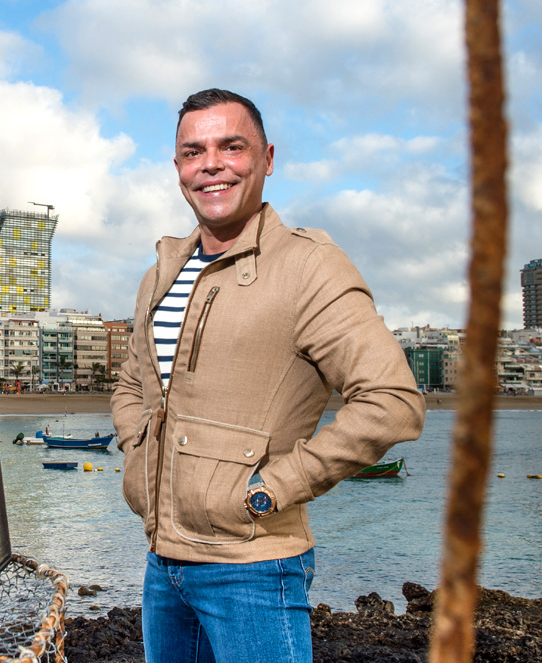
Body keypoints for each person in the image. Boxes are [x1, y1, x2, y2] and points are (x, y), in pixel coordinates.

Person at [111, 89, 426, 663]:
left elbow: (392, 401)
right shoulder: (163, 270)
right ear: (178, 165)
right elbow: (134, 383)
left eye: (232, 146)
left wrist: (268, 491)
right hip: (163, 564)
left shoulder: (308, 266)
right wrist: (137, 456)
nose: (211, 164)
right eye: (192, 151)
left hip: (253, 569)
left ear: (267, 158)